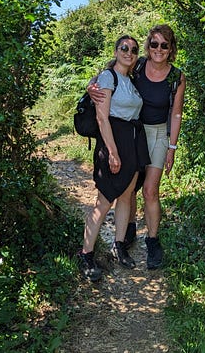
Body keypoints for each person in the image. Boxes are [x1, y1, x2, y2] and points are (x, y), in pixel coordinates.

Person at [88, 24, 186, 270]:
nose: (159, 50)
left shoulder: (177, 76)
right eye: (154, 44)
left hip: (157, 135)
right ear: (148, 46)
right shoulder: (139, 64)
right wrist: (91, 87)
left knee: (150, 190)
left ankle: (152, 241)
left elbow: (176, 114)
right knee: (129, 188)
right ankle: (127, 231)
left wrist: (172, 147)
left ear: (171, 48)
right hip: (133, 132)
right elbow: (110, 73)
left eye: (164, 45)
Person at [76, 35, 150, 282]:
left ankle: (118, 245)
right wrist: (112, 151)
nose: (128, 52)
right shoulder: (108, 77)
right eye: (124, 48)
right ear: (116, 51)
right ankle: (86, 254)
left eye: (133, 49)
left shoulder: (131, 80)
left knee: (127, 196)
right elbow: (102, 118)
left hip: (132, 142)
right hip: (113, 141)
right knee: (104, 200)